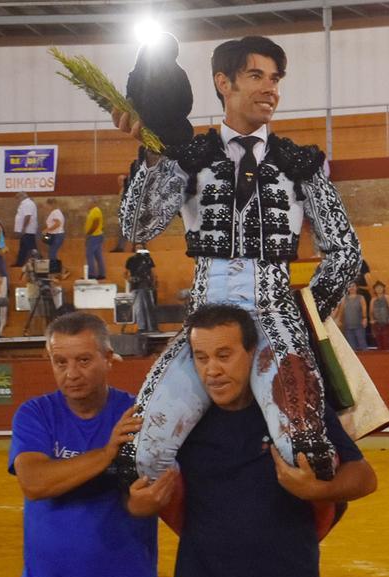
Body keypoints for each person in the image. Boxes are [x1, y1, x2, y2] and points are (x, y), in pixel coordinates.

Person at [112, 35, 360, 483]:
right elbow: (136, 228)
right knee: (138, 458)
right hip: (205, 324)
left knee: (306, 453)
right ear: (223, 83)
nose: (271, 89)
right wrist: (150, 153)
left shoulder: (300, 162)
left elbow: (345, 250)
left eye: (275, 78)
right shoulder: (186, 158)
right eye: (256, 76)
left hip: (276, 319)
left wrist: (304, 316)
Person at [125, 303, 377, 577]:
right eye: (201, 357)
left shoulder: (293, 410)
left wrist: (317, 491)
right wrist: (138, 504)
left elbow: (365, 476)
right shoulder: (180, 421)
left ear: (251, 353)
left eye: (224, 355)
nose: (212, 370)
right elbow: (134, 498)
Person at [8, 312, 157, 577]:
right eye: (61, 362)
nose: (71, 373)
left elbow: (143, 500)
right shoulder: (35, 413)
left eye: (84, 360)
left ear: (109, 359)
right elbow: (35, 482)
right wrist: (107, 454)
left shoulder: (137, 416)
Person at [125, 249, 158, 333]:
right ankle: (142, 327)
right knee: (138, 308)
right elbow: (126, 273)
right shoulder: (131, 260)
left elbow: (152, 272)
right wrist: (130, 280)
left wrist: (153, 283)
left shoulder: (148, 259)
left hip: (147, 286)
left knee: (149, 307)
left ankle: (152, 327)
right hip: (136, 287)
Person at [339, 281, 369, 351]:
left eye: (353, 286)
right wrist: (340, 321)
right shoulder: (344, 299)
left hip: (359, 325)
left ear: (356, 288)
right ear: (347, 288)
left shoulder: (361, 297)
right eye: (350, 286)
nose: (351, 288)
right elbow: (341, 311)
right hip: (348, 326)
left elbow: (364, 308)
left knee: (363, 344)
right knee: (351, 347)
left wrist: (365, 318)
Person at [13, 192, 39, 267]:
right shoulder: (25, 203)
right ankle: (19, 263)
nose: (17, 200)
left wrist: (23, 228)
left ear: (21, 197)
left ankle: (39, 263)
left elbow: (28, 216)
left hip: (28, 230)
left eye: (17, 198)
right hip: (25, 231)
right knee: (23, 248)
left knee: (32, 248)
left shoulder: (28, 204)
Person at [84, 199, 106, 280]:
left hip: (94, 236)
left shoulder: (96, 211)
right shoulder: (93, 211)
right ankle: (101, 274)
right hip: (97, 235)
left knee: (89, 255)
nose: (87, 204)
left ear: (94, 203)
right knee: (98, 255)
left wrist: (88, 233)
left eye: (89, 202)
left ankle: (92, 274)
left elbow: (95, 224)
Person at [369, 281, 389, 349]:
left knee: (386, 342)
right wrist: (372, 320)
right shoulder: (373, 300)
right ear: (374, 290)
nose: (379, 289)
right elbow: (371, 312)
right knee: (379, 343)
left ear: (383, 288)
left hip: (386, 323)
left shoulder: (388, 298)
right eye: (377, 288)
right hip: (377, 323)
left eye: (380, 287)